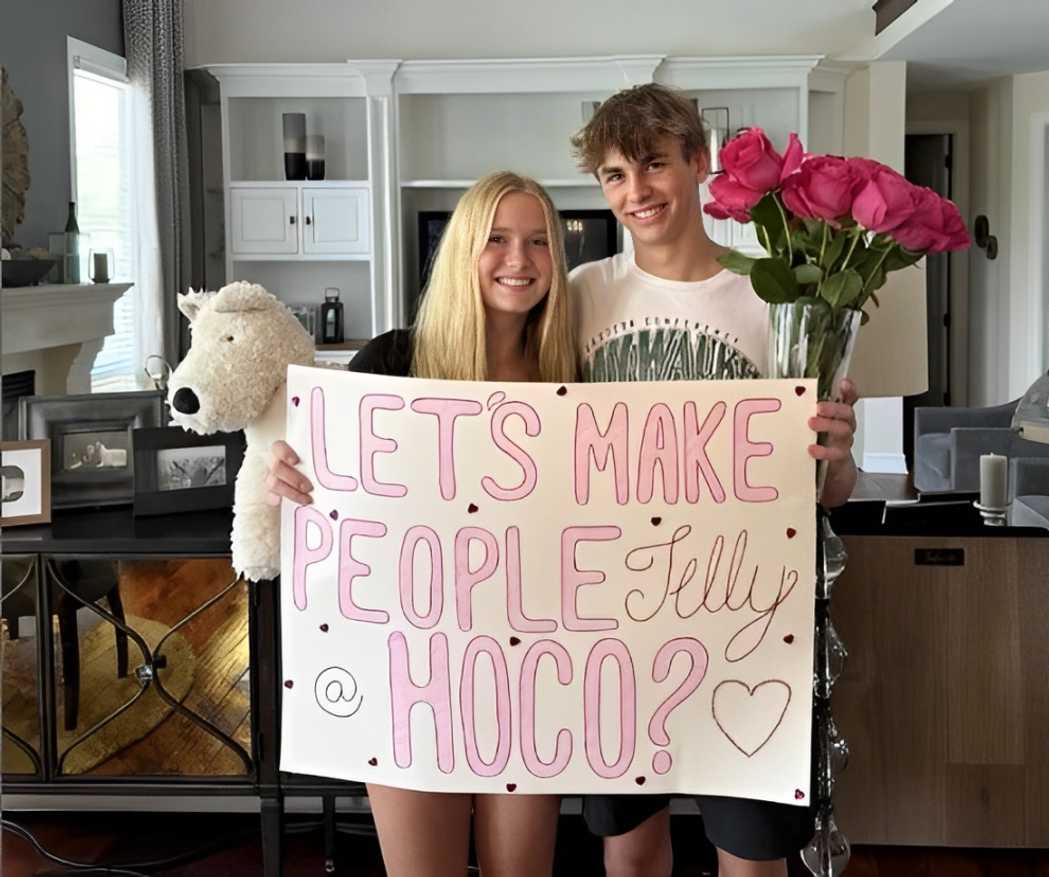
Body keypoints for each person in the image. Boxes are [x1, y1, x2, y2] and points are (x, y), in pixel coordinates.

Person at [569, 83, 859, 877]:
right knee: (629, 849)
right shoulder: (580, 296)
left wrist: (837, 451)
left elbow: (831, 495)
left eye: (655, 164)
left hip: (748, 626)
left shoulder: (779, 297)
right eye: (614, 175)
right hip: (615, 622)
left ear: (698, 161)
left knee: (753, 857)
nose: (636, 192)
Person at [265, 171, 577, 876]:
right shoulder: (392, 363)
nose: (518, 260)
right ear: (464, 248)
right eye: (496, 239)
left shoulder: (573, 379)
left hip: (532, 677)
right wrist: (287, 476)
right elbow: (325, 493)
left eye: (538, 242)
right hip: (411, 675)